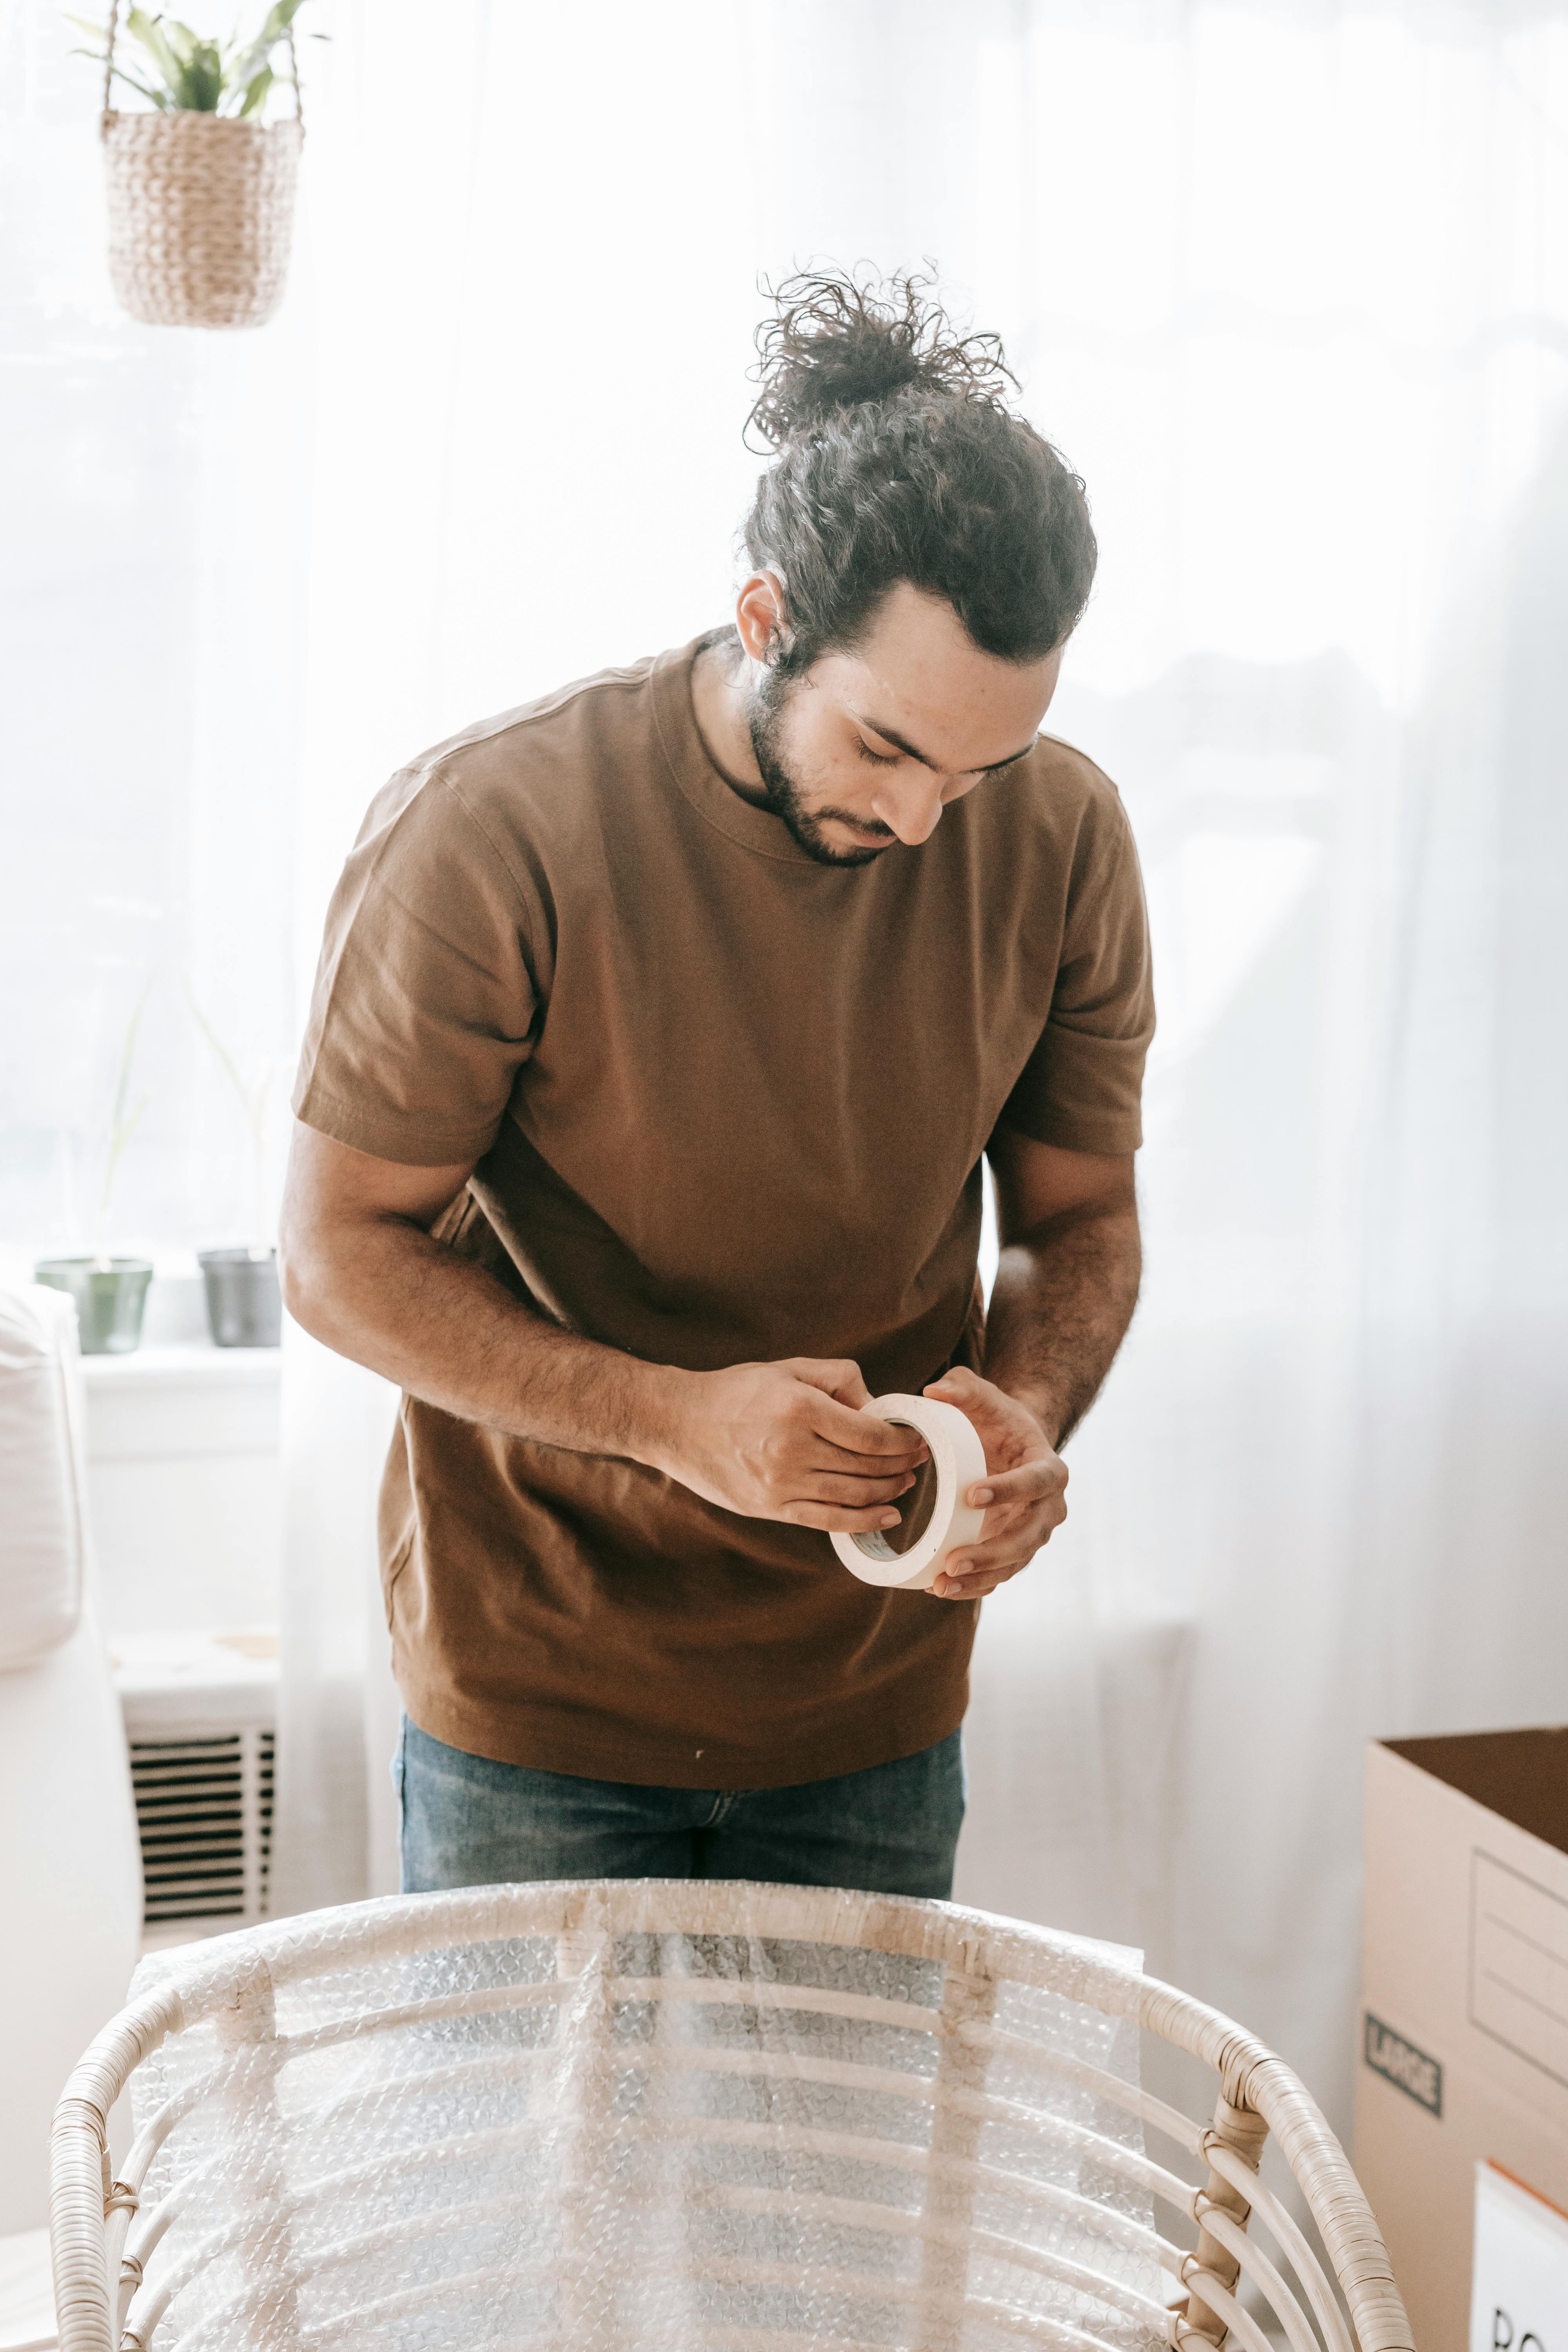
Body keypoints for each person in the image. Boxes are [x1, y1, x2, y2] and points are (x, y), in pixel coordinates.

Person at [279, 268, 1154, 1903]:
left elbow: (1079, 1215)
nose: (922, 826)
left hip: (874, 1691)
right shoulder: (492, 829)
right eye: (887, 751)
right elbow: (338, 1253)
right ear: (766, 626)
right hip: (537, 1689)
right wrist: (673, 1422)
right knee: (533, 2175)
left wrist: (1025, 1414)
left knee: (841, 2171)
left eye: (981, 770)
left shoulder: (1063, 833)